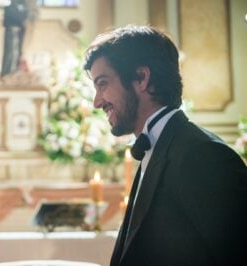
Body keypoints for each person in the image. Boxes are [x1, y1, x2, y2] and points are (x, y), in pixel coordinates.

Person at [84, 25, 247, 266]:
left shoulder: (203, 155)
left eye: (103, 83)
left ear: (141, 78)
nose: (97, 102)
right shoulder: (159, 147)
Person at [1, 0, 28, 78]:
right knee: (10, 54)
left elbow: (23, 20)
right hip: (11, 32)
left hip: (18, 33)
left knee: (17, 54)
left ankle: (14, 72)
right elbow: (6, 22)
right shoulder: (8, 9)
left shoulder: (23, 8)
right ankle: (7, 74)